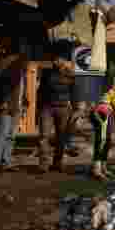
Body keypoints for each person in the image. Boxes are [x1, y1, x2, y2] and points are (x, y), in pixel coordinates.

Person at [0, 30, 28, 176]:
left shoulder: (20, 60)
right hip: (7, 103)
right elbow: (2, 84)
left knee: (11, 134)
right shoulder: (4, 61)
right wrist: (3, 101)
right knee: (2, 134)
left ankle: (6, 161)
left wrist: (25, 98)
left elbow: (23, 81)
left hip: (17, 103)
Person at [36, 41, 76, 173]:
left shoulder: (70, 73)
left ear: (64, 60)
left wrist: (76, 109)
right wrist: (38, 107)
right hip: (47, 107)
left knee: (61, 137)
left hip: (64, 107)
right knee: (44, 136)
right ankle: (44, 164)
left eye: (58, 59)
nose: (55, 61)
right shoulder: (47, 72)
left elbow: (75, 91)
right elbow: (40, 90)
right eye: (54, 59)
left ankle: (57, 162)